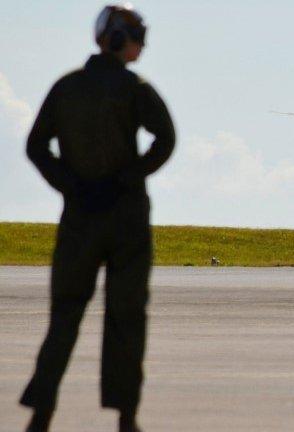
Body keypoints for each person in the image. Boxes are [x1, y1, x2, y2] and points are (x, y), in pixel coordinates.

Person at [20, 4, 175, 432]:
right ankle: (127, 417)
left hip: (79, 219)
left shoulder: (67, 87)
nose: (141, 45)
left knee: (64, 314)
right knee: (127, 317)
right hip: (125, 219)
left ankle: (41, 413)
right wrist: (128, 178)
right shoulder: (134, 87)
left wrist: (71, 184)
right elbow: (166, 138)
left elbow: (35, 146)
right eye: (137, 35)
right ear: (119, 39)